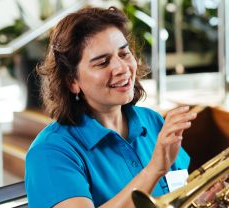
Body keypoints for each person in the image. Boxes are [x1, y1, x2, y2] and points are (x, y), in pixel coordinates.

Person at [25, 7, 197, 208]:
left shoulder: (152, 121)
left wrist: (208, 192)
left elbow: (181, 195)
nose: (122, 68)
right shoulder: (50, 151)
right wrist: (154, 169)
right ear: (72, 81)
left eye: (124, 54)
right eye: (102, 63)